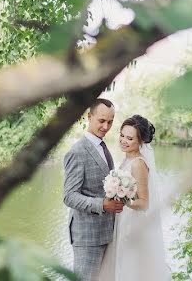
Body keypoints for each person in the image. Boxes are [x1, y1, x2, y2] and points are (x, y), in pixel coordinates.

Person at [97, 114, 171, 281]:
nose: (123, 140)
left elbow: (144, 203)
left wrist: (123, 199)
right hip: (121, 220)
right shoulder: (127, 159)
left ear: (140, 141)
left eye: (129, 138)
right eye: (122, 135)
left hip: (131, 224)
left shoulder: (138, 163)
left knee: (129, 268)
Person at [63, 98, 124, 281]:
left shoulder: (103, 147)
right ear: (89, 117)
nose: (106, 126)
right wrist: (103, 205)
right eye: (102, 121)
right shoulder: (77, 152)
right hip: (87, 237)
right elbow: (69, 196)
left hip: (106, 232)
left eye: (110, 122)